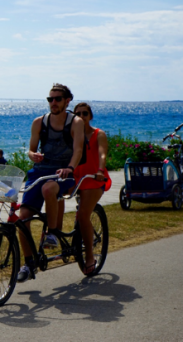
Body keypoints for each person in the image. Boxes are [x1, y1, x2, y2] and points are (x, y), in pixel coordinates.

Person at [17, 83, 85, 282]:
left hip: (64, 173)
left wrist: (70, 168)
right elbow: (30, 150)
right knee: (23, 220)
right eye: (50, 99)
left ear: (67, 101)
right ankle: (29, 264)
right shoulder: (39, 122)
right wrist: (33, 155)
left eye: (57, 99)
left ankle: (53, 232)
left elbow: (78, 150)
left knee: (49, 189)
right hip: (39, 172)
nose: (53, 103)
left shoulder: (76, 122)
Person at [72, 102, 111, 275]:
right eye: (78, 114)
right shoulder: (72, 135)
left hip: (94, 179)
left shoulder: (98, 134)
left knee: (83, 214)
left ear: (90, 116)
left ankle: (89, 256)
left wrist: (100, 170)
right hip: (76, 179)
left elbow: (102, 153)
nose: (81, 117)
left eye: (85, 113)